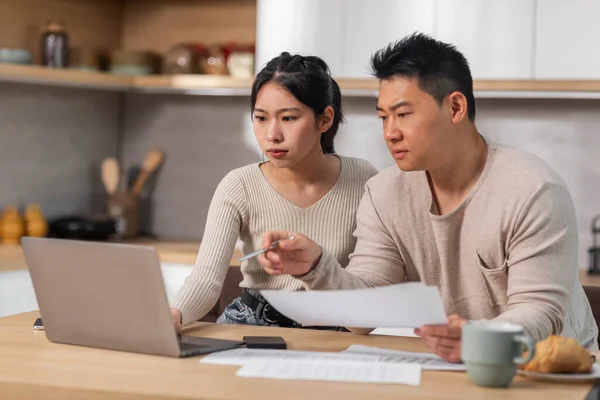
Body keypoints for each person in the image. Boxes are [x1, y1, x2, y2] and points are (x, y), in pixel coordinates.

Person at [257, 33, 598, 362]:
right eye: (383, 116)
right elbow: (363, 313)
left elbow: (540, 312)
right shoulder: (384, 193)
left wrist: (478, 338)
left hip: (552, 373)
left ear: (455, 107)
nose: (390, 132)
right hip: (454, 367)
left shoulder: (531, 190)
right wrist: (316, 268)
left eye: (403, 114)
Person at [170, 52, 378, 332]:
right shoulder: (239, 184)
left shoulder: (365, 181)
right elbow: (205, 280)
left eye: (289, 118)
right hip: (250, 327)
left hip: (334, 330)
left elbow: (369, 295)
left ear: (325, 119)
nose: (272, 135)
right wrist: (175, 315)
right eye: (261, 118)